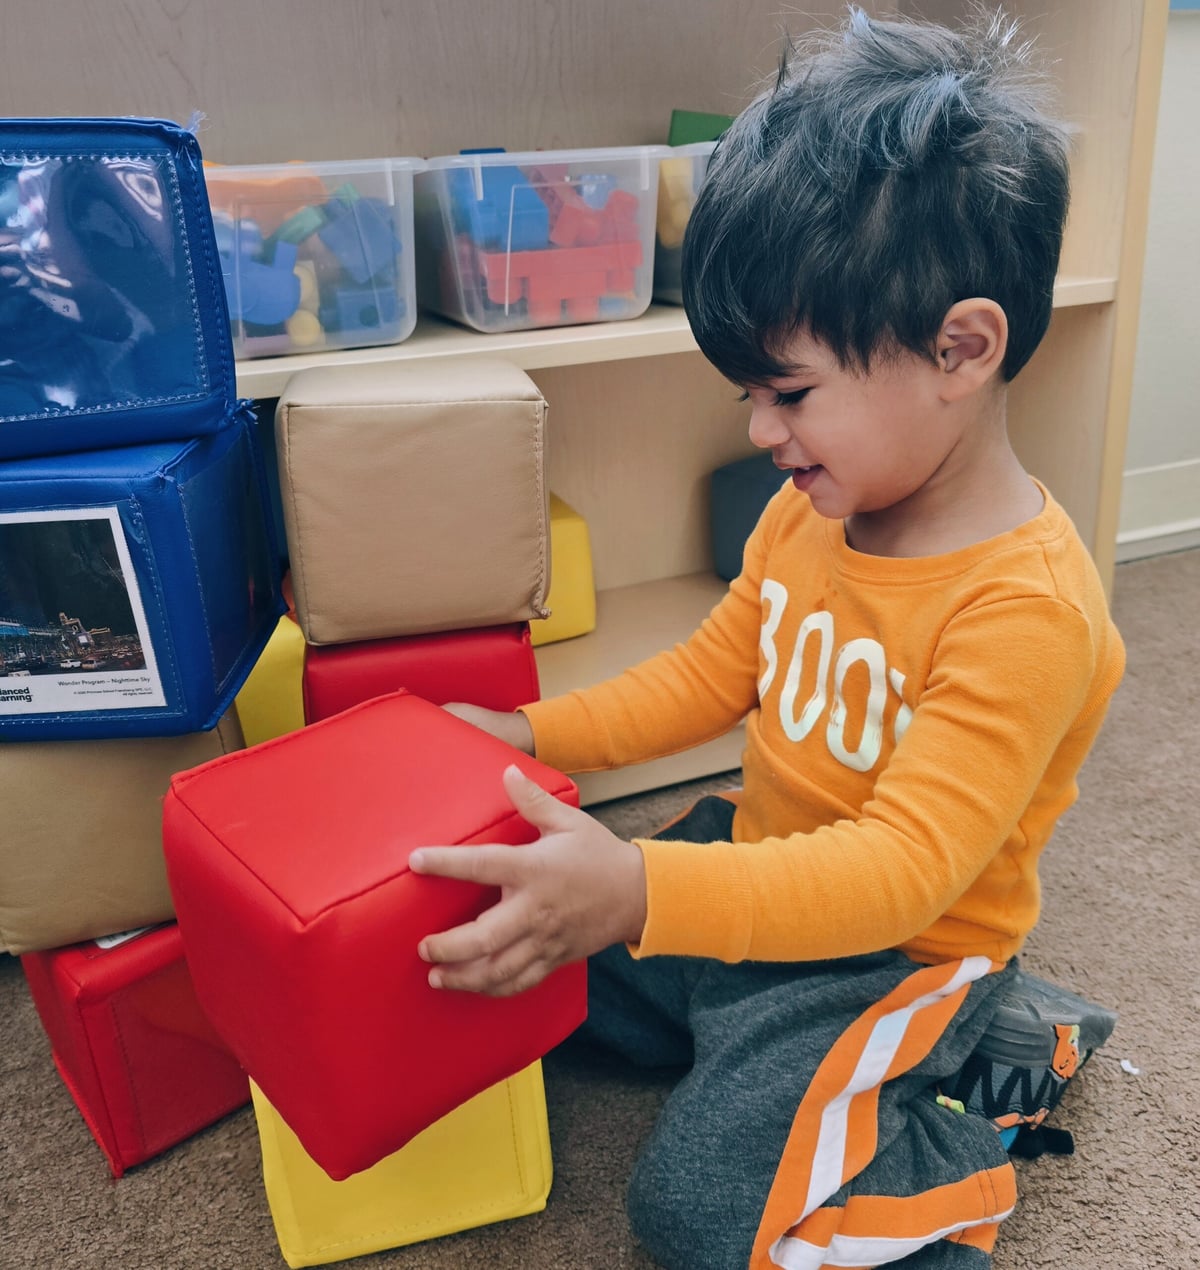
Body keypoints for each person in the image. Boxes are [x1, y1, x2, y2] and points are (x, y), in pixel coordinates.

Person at [408, 8, 1125, 1267]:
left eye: (788, 392)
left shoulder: (1027, 609)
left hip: (892, 951)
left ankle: (986, 1097)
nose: (758, 431)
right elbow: (710, 672)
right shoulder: (815, 513)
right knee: (525, 959)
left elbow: (903, 871)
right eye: (749, 393)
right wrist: (528, 732)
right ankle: (781, 1024)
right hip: (756, 858)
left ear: (961, 348)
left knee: (700, 1212)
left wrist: (643, 893)